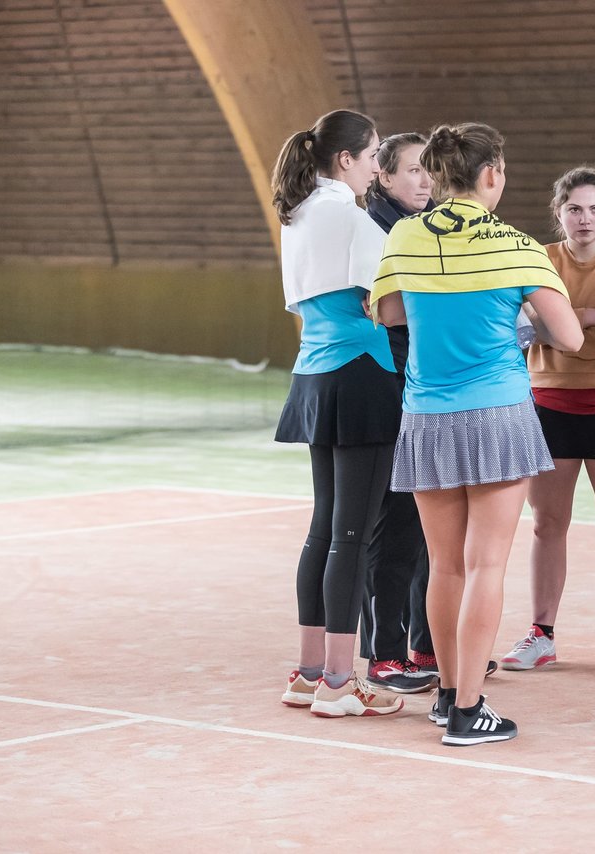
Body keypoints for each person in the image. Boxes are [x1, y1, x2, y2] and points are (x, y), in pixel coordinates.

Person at [372, 123, 583, 746]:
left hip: (426, 414)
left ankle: (444, 696)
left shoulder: (405, 234)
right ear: (490, 173)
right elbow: (569, 337)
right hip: (499, 414)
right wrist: (514, 315)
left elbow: (388, 313)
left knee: (444, 567)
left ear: (437, 175)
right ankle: (469, 709)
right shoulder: (519, 245)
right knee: (486, 565)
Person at [272, 109, 404, 719]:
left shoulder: (296, 215)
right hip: (360, 378)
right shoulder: (351, 218)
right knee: (351, 533)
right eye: (375, 152)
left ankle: (308, 673)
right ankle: (339, 684)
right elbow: (393, 306)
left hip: (314, 376)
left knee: (324, 528)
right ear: (346, 159)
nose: (379, 164)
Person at [500, 166, 595, 677]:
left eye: (594, 208)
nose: (584, 218)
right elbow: (520, 326)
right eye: (574, 209)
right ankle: (541, 635)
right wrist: (589, 317)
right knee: (546, 525)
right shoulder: (538, 260)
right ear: (558, 212)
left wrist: (564, 328)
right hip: (546, 405)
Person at [355, 132, 444, 694]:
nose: (424, 180)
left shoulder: (432, 229)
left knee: (428, 527)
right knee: (394, 527)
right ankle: (384, 653)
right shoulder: (375, 234)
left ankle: (426, 644)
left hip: (427, 390)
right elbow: (385, 314)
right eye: (412, 170)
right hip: (389, 390)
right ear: (384, 177)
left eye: (429, 170)